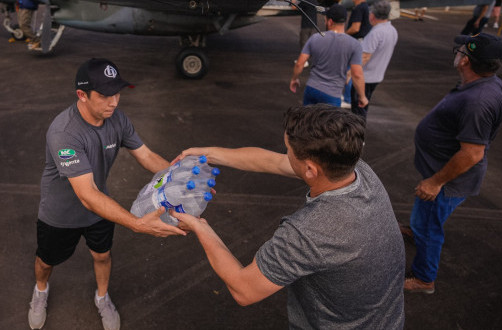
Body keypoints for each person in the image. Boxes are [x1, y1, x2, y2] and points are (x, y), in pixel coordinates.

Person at [173, 105, 405, 329]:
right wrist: (207, 154)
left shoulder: (310, 232)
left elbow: (243, 289)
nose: (285, 154)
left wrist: (201, 227)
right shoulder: (355, 167)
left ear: (310, 170)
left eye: (288, 150)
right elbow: (274, 162)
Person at [28, 58, 185, 330]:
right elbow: (86, 194)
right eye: (104, 95)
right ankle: (40, 290)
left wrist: (181, 177)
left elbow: (146, 156)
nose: (113, 102)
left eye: (117, 93)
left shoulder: (117, 119)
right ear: (82, 95)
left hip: (100, 209)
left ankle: (102, 297)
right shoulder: (64, 132)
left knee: (102, 255)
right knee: (46, 261)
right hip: (60, 215)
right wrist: (136, 223)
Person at [403, 33, 502, 294]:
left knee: (430, 228)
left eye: (460, 50)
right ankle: (417, 230)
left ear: (465, 61)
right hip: (440, 169)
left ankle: (424, 279)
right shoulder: (485, 84)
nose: (457, 52)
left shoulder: (478, 101)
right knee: (424, 218)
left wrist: (435, 181)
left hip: (447, 180)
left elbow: (472, 154)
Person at [290, 4, 367, 109]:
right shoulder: (354, 45)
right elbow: (357, 74)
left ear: (330, 21)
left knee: (308, 117)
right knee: (329, 119)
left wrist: (294, 79)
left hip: (312, 88)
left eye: (325, 20)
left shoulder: (315, 38)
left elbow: (300, 63)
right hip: (332, 94)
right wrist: (362, 96)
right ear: (344, 21)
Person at [350, 0, 398, 120]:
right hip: (377, 76)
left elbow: (364, 57)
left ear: (372, 15)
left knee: (358, 110)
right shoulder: (392, 30)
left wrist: (350, 73)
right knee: (362, 108)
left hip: (365, 78)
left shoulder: (375, 33)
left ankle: (358, 131)